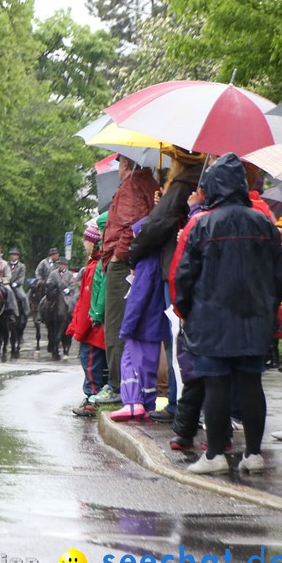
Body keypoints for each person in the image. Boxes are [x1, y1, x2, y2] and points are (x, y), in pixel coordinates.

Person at [171, 153, 282, 475]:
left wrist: (186, 312)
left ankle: (215, 455)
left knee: (216, 386)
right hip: (253, 320)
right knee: (251, 385)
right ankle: (253, 454)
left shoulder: (202, 224)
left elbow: (184, 276)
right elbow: (278, 277)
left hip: (210, 321)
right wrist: (269, 308)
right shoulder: (265, 223)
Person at [128, 146, 205, 424]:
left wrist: (134, 251)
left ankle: (176, 403)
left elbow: (159, 225)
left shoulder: (183, 183)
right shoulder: (205, 179)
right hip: (198, 268)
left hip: (174, 266)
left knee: (175, 339)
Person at [102, 156, 160, 405]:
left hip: (122, 264)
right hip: (139, 262)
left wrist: (116, 257)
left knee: (115, 325)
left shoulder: (131, 186)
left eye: (119, 163)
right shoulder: (151, 183)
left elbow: (130, 226)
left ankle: (116, 384)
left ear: (125, 163)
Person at [66, 223, 107, 417]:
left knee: (90, 363)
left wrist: (80, 329)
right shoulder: (93, 265)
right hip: (93, 325)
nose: (83, 243)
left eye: (86, 240)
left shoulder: (94, 267)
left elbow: (88, 301)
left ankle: (92, 398)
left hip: (92, 327)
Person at [6, 247, 29, 320]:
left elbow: (21, 277)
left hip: (17, 286)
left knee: (24, 297)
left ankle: (26, 312)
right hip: (7, 284)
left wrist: (16, 283)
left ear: (17, 256)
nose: (12, 256)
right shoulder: (6, 264)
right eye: (11, 255)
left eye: (14, 255)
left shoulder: (22, 266)